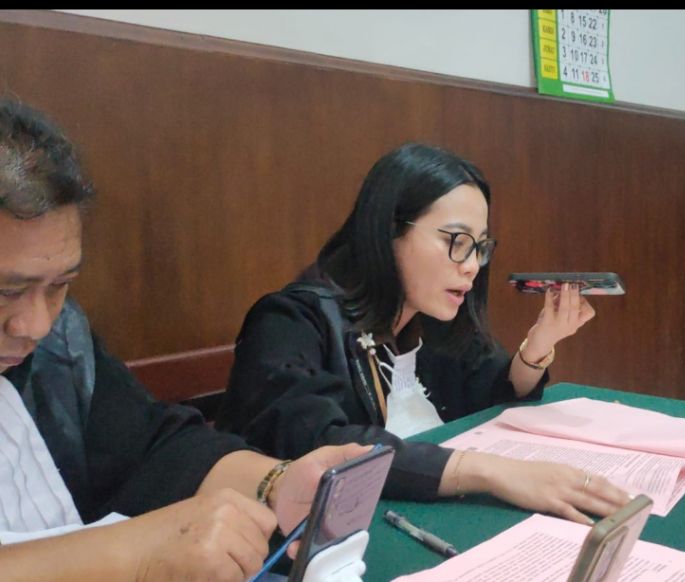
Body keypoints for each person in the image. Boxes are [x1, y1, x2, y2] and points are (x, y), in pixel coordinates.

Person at [0, 98, 370, 581]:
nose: (35, 325)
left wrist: (275, 483)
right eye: (7, 291)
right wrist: (133, 553)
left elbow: (155, 445)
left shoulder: (59, 343)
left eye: (59, 285)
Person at [217, 143, 630, 524]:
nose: (472, 265)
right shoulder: (289, 322)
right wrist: (492, 471)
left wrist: (540, 343)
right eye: (456, 241)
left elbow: (493, 389)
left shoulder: (430, 316)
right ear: (388, 231)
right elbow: (324, 445)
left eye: (480, 246)